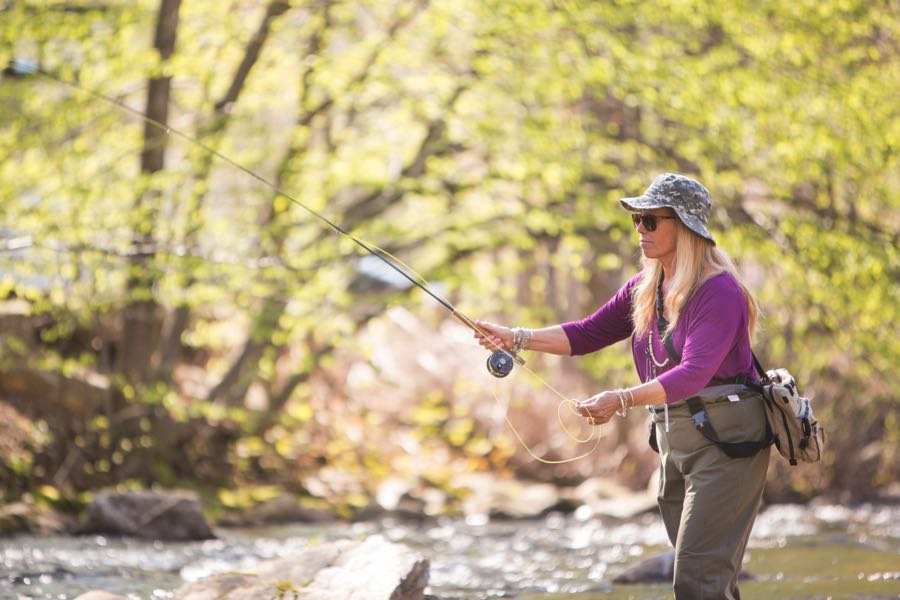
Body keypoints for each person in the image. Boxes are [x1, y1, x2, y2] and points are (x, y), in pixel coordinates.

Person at [474, 173, 770, 600]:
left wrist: (621, 400)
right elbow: (586, 334)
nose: (639, 230)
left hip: (729, 445)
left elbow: (693, 374)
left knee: (697, 580)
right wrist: (514, 337)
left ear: (685, 227)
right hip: (679, 440)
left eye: (651, 220)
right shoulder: (644, 288)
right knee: (707, 580)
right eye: (637, 220)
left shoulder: (719, 292)